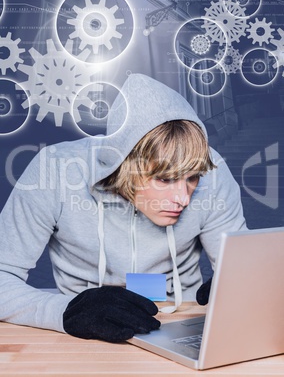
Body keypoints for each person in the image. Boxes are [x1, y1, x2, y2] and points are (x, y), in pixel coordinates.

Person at [0, 73, 246, 343]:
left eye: (192, 178)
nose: (183, 198)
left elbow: (247, 268)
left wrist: (241, 283)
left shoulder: (213, 169)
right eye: (164, 178)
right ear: (124, 165)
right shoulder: (55, 170)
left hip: (185, 325)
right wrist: (65, 312)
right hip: (85, 332)